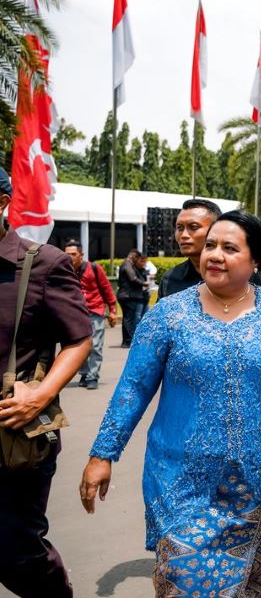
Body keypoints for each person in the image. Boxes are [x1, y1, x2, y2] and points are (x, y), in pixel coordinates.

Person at [80, 211, 261, 597]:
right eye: (211, 246)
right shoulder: (168, 316)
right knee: (184, 583)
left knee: (251, 588)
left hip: (258, 484)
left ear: (255, 261)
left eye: (230, 248)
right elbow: (133, 388)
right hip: (180, 484)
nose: (215, 255)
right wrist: (103, 454)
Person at [0, 167, 91, 598]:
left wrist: (41, 394)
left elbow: (79, 338)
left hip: (14, 433)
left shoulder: (42, 264)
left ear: (2, 204)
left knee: (17, 551)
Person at [63, 240, 118, 390]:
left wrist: (112, 310)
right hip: (74, 314)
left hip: (95, 311)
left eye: (73, 254)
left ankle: (93, 376)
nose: (70, 257)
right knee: (77, 346)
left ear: (81, 255)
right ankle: (84, 373)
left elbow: (106, 288)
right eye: (67, 254)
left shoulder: (93, 268)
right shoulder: (63, 270)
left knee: (95, 346)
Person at [158, 198, 222, 299]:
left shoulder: (241, 276)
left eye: (193, 227)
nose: (184, 235)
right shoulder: (170, 278)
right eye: (179, 228)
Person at [116, 248, 149, 348]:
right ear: (132, 256)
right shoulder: (127, 264)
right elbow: (132, 278)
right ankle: (127, 341)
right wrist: (144, 283)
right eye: (136, 257)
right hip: (127, 295)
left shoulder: (128, 264)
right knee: (129, 319)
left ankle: (127, 340)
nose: (137, 260)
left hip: (126, 295)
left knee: (128, 318)